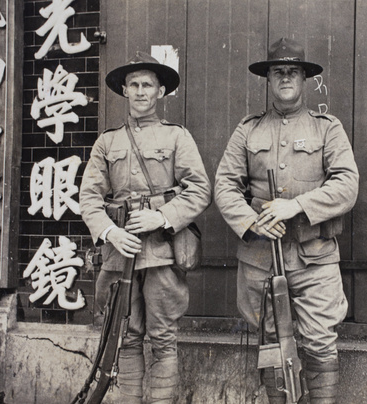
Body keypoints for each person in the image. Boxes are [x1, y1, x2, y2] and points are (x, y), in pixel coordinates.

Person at [214, 37, 359, 403]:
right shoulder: (248, 130)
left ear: (304, 78)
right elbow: (225, 187)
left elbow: (347, 185)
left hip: (315, 258)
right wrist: (253, 222)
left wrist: (296, 207)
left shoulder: (327, 129)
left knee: (321, 343)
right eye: (278, 71)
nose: (285, 78)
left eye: (292, 71)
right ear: (268, 79)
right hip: (262, 260)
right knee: (271, 344)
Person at [79, 52, 211, 403]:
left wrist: (163, 216)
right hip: (117, 255)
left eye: (147, 85)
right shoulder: (107, 142)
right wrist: (110, 232)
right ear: (124, 91)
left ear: (160, 91)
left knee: (163, 338)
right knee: (125, 335)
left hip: (161, 254)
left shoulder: (176, 138)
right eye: (133, 85)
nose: (140, 92)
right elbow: (89, 197)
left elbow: (200, 189)